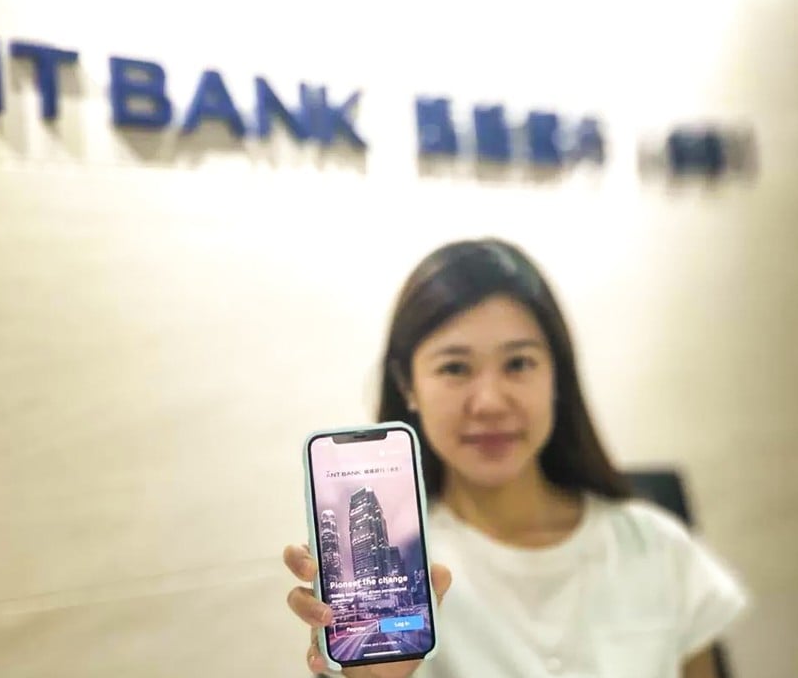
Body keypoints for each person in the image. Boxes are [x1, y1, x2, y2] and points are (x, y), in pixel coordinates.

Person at [283, 238, 748, 678]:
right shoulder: (404, 584)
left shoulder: (657, 547)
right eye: (455, 368)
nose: (489, 402)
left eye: (519, 363)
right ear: (408, 385)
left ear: (557, 375)